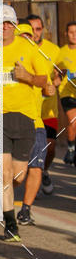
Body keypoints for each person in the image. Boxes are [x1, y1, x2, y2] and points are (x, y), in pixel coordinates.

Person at [13, 20, 57, 224]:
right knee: (16, 175)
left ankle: (26, 210)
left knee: (36, 166)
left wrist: (50, 88)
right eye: (23, 36)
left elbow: (48, 86)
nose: (27, 40)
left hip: (35, 122)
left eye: (30, 36)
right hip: (9, 122)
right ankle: (2, 202)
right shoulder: (4, 56)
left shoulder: (37, 59)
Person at [26, 14, 61, 193]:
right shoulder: (21, 49)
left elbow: (61, 70)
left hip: (47, 109)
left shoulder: (54, 50)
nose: (35, 33)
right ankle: (33, 177)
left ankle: (43, 171)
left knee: (50, 148)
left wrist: (57, 80)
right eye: (31, 29)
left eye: (38, 29)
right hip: (27, 109)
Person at [57, 21, 76, 165]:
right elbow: (55, 72)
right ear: (66, 34)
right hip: (66, 92)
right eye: (71, 32)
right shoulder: (60, 52)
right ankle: (71, 149)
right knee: (73, 121)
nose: (74, 35)